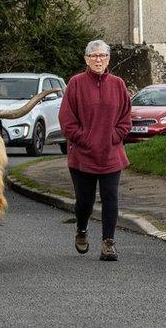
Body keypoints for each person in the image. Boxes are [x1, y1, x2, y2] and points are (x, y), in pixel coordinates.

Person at [58, 39, 132, 261]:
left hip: (111, 154)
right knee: (85, 201)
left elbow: (126, 118)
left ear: (108, 59)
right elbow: (66, 120)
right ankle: (81, 229)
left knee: (111, 197)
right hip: (83, 156)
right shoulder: (76, 84)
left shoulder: (118, 84)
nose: (98, 60)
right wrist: (85, 139)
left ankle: (108, 243)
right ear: (86, 59)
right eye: (94, 56)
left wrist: (113, 136)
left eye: (102, 56)